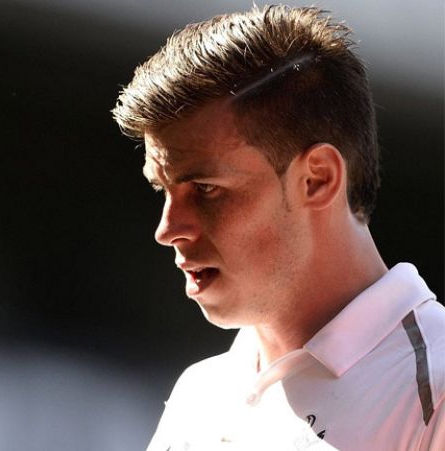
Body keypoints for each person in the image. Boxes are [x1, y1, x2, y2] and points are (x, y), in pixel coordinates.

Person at [111, 5, 443, 450]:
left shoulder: (436, 392)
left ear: (317, 179)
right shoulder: (200, 393)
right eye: (163, 190)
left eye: (206, 189)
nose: (168, 229)